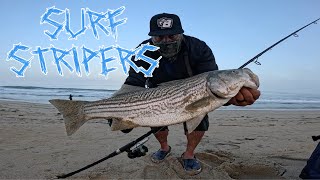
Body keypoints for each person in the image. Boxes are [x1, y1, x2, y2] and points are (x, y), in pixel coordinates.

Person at [123, 13, 260, 175]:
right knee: (156, 124)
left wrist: (229, 98)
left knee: (200, 119)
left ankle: (189, 154)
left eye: (172, 35)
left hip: (194, 92)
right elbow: (133, 82)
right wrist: (119, 110)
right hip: (156, 94)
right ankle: (164, 147)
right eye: (159, 38)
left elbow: (211, 80)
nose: (166, 41)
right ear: (152, 37)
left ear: (180, 33)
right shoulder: (143, 52)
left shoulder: (198, 48)